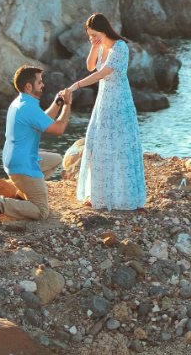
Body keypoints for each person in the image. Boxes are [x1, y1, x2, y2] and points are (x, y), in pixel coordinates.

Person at [62, 13, 146, 211]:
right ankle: (97, 193)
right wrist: (94, 46)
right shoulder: (101, 47)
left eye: (94, 35)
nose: (92, 38)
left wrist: (75, 86)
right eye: (90, 36)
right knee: (98, 143)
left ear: (103, 30)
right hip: (103, 101)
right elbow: (91, 66)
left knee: (119, 145)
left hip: (119, 101)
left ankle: (121, 196)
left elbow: (102, 73)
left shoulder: (120, 47)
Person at [0, 66, 73, 224]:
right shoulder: (28, 108)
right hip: (22, 165)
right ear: (28, 86)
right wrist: (67, 105)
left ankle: (23, 193)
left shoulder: (21, 102)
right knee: (42, 211)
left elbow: (43, 120)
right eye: (39, 82)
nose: (43, 85)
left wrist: (58, 103)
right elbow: (59, 129)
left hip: (15, 159)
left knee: (56, 159)